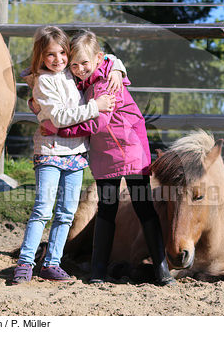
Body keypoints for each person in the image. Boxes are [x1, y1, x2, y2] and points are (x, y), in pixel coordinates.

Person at [40, 30, 175, 286]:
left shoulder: (105, 86)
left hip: (130, 150)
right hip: (105, 156)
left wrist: (59, 129)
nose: (79, 69)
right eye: (75, 64)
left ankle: (161, 269)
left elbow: (96, 125)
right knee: (106, 209)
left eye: (85, 64)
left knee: (142, 205)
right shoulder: (85, 81)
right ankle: (99, 270)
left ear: (98, 59)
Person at [12, 26, 125, 284]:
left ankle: (52, 262)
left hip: (76, 155)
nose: (58, 59)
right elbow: (60, 117)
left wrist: (118, 68)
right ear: (40, 56)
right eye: (50, 54)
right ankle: (25, 262)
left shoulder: (70, 72)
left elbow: (103, 58)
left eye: (63, 53)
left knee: (66, 212)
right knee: (42, 209)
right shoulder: (43, 82)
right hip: (51, 152)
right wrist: (95, 107)